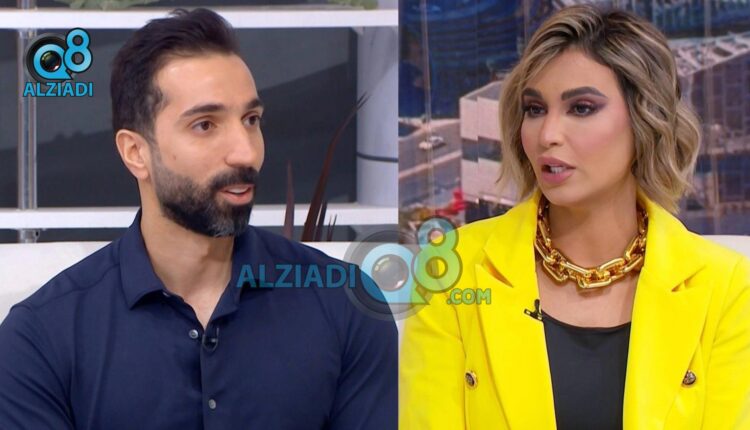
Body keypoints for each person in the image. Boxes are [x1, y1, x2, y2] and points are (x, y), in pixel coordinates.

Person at [0, 8, 397, 430]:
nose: (246, 153)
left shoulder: (346, 305)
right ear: (136, 153)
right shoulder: (42, 338)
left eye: (251, 120)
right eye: (205, 125)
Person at [400, 5, 750, 430]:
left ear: (646, 119)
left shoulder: (725, 287)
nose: (548, 135)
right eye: (534, 109)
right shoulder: (451, 269)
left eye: (581, 108)